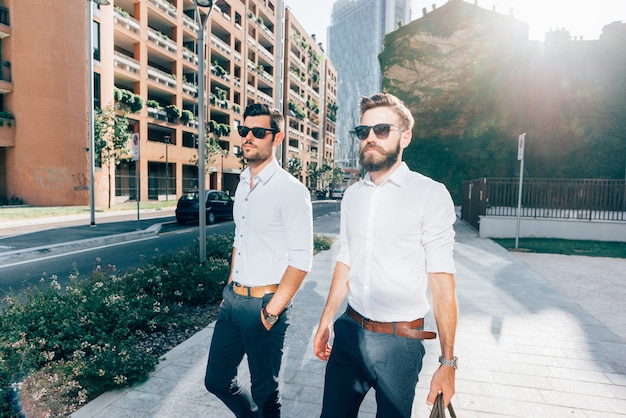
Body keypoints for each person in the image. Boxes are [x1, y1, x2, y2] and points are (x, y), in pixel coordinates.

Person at [313, 93, 458, 417]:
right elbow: (346, 258)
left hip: (400, 343)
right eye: (363, 132)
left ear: (404, 136)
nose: (370, 139)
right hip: (350, 332)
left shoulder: (429, 194)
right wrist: (325, 320)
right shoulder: (352, 196)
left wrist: (448, 363)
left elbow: (441, 278)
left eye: (381, 130)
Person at [205, 103, 313, 417]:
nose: (248, 137)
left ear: (276, 138)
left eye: (258, 132)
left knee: (266, 394)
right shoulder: (242, 184)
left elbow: (302, 258)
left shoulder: (291, 190)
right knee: (217, 380)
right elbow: (241, 239)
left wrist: (272, 311)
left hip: (266, 303)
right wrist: (228, 292)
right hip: (233, 302)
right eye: (244, 131)